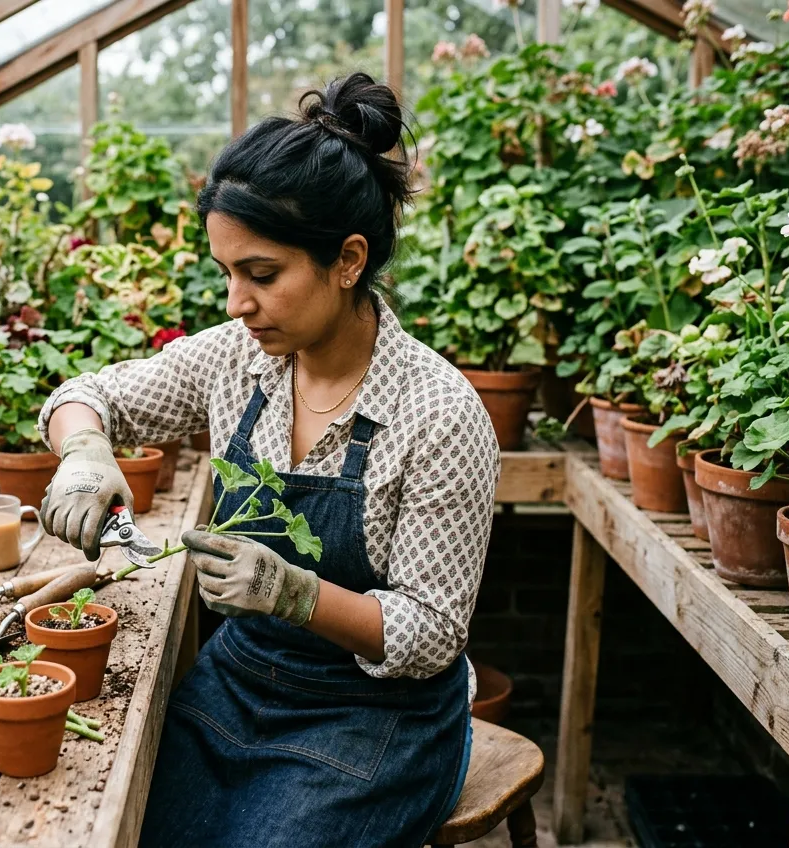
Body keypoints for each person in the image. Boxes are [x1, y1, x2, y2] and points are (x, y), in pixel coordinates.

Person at [37, 72, 500, 847]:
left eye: (261, 275)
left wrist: (296, 594)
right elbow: (87, 393)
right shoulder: (235, 361)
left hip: (378, 720)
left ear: (347, 260)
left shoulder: (437, 413)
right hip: (244, 681)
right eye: (226, 273)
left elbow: (430, 633)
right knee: (127, 821)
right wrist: (84, 451)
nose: (234, 303)